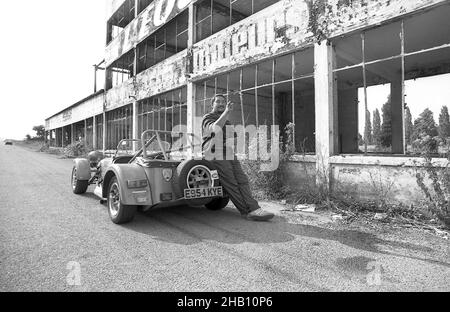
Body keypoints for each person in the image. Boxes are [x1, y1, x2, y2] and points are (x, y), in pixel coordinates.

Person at [202, 94, 274, 221]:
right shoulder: (208, 117)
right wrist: (227, 112)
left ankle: (254, 208)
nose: (221, 103)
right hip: (215, 153)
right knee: (232, 183)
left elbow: (233, 138)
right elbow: (215, 128)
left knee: (242, 180)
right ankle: (248, 212)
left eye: (223, 102)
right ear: (212, 104)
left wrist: (231, 142)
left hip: (228, 153)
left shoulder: (227, 121)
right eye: (217, 101)